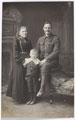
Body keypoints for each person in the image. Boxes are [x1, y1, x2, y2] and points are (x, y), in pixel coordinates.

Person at [6, 26, 32, 103]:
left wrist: (30, 59)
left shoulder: (28, 40)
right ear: (19, 32)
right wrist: (22, 60)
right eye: (23, 31)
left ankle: (27, 96)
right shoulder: (16, 40)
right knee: (20, 76)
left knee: (28, 75)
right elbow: (15, 52)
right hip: (19, 60)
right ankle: (18, 97)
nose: (25, 33)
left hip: (27, 59)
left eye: (26, 31)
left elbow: (31, 50)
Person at [36, 22, 60, 102]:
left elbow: (56, 52)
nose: (47, 29)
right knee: (32, 66)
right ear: (43, 29)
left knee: (45, 67)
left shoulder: (55, 38)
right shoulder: (40, 39)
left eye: (49, 28)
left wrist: (45, 60)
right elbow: (37, 51)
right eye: (46, 28)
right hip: (42, 60)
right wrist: (36, 60)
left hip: (53, 61)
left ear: (51, 29)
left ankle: (42, 90)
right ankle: (32, 94)